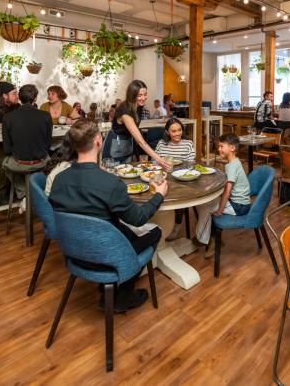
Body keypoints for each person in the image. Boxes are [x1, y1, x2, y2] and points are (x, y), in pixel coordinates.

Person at [49, 120, 169, 312]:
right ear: (98, 141)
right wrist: (159, 195)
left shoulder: (59, 180)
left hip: (74, 253)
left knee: (121, 229)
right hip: (109, 255)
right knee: (155, 232)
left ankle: (110, 288)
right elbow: (138, 218)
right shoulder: (111, 183)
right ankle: (122, 297)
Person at [194, 133, 251, 252]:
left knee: (205, 208)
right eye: (218, 146)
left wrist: (220, 210)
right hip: (240, 203)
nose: (218, 149)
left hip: (239, 206)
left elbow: (227, 191)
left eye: (221, 146)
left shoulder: (232, 166)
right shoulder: (235, 162)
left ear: (232, 148)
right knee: (204, 204)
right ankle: (209, 236)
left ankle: (202, 238)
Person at [2, 84, 52, 207]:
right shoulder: (46, 116)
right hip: (40, 162)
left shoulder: (8, 118)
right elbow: (47, 145)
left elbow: (7, 149)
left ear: (19, 98)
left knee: (3, 164)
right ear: (35, 98)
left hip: (20, 163)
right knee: (51, 161)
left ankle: (24, 194)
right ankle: (36, 193)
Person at [102, 80, 169, 168]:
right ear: (132, 95)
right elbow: (141, 142)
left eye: (145, 94)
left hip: (127, 144)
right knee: (112, 175)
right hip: (114, 146)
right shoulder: (125, 110)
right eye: (139, 95)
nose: (143, 98)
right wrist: (159, 159)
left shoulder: (139, 106)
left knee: (128, 174)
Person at [155, 118, 196, 241]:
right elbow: (155, 162)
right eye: (174, 131)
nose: (177, 133)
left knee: (180, 196)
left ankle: (176, 226)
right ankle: (158, 224)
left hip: (181, 179)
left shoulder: (188, 144)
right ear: (168, 132)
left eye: (179, 130)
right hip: (163, 177)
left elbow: (191, 164)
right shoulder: (162, 143)